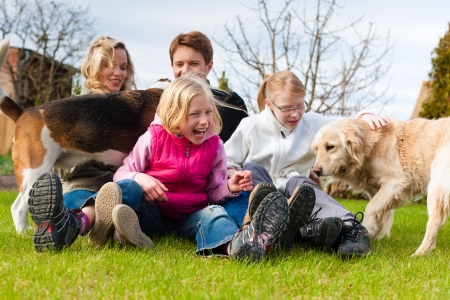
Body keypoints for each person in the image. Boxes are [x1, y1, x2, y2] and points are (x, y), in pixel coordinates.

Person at [110, 73, 292, 261]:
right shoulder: (152, 138)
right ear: (174, 114)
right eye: (194, 114)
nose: (204, 121)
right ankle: (94, 220)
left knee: (214, 213)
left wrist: (229, 187)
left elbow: (213, 193)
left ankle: (237, 246)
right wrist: (139, 178)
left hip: (190, 217)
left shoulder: (214, 147)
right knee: (127, 187)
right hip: (153, 211)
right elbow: (122, 173)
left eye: (208, 112)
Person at [224, 70, 391, 258]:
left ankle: (350, 228)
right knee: (253, 169)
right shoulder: (250, 126)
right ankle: (285, 226)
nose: (295, 114)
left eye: (300, 105)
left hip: (296, 193)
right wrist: (233, 173)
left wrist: (364, 116)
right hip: (266, 195)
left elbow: (344, 125)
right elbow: (227, 158)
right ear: (269, 105)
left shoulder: (313, 122)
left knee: (301, 184)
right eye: (287, 108)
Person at [27, 36, 148, 251]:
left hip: (116, 186)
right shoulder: (75, 111)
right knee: (80, 203)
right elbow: (65, 168)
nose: (118, 73)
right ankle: (97, 226)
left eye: (122, 67)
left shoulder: (131, 111)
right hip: (80, 187)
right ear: (92, 68)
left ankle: (89, 226)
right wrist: (98, 148)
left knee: (130, 187)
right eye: (107, 65)